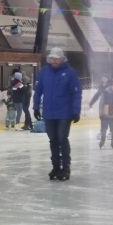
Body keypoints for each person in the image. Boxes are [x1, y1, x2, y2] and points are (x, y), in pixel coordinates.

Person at [33, 46, 82, 182]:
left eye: (57, 59)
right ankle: (56, 167)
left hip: (64, 113)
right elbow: (38, 90)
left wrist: (76, 111)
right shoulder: (44, 72)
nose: (54, 61)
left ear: (62, 59)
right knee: (53, 140)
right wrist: (36, 107)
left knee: (62, 139)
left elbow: (76, 93)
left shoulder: (70, 73)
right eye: (52, 58)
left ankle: (65, 168)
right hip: (49, 113)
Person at [89, 78, 113, 149]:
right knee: (104, 129)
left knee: (112, 129)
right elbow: (101, 104)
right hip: (105, 115)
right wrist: (101, 114)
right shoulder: (104, 93)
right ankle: (102, 142)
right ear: (111, 85)